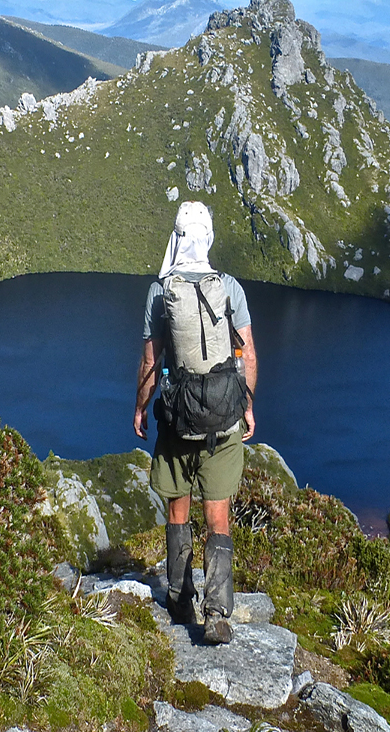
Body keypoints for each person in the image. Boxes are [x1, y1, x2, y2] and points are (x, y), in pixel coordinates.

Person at [134, 201, 257, 645]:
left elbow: (152, 360)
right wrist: (246, 406)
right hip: (223, 420)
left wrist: (139, 408)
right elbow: (248, 356)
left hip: (177, 420)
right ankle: (218, 610)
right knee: (218, 514)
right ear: (207, 239)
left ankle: (180, 597)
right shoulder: (229, 288)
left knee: (177, 507)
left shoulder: (160, 291)